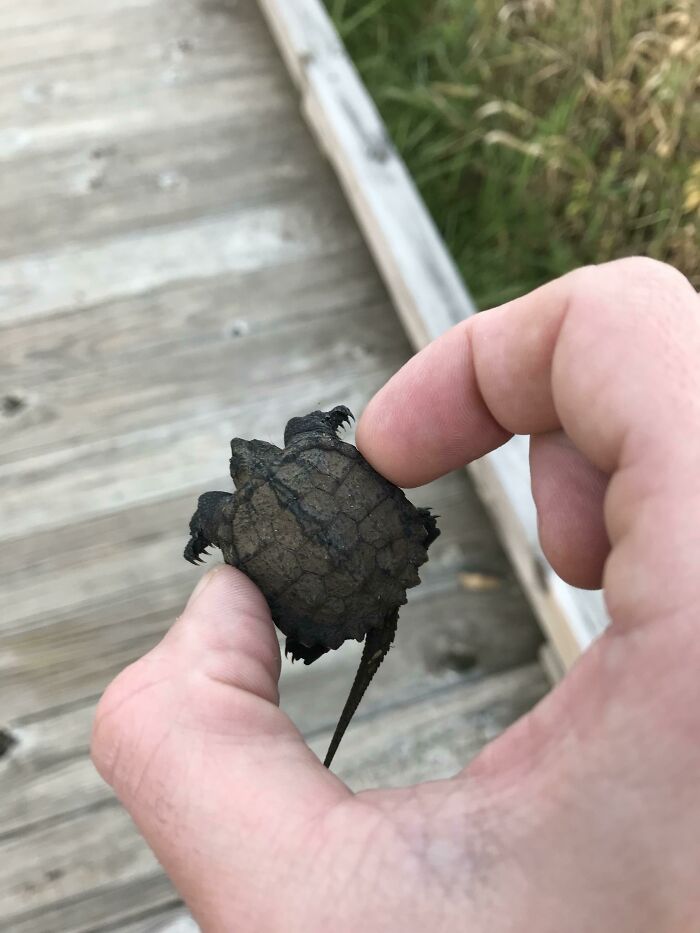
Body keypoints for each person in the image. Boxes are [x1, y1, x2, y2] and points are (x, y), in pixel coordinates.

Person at [92, 258, 700, 931]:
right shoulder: (307, 445)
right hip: (383, 549)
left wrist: (199, 540)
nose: (242, 454)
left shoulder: (229, 510)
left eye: (240, 461)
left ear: (240, 474)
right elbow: (318, 423)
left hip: (329, 592)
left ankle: (322, 644)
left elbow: (209, 521)